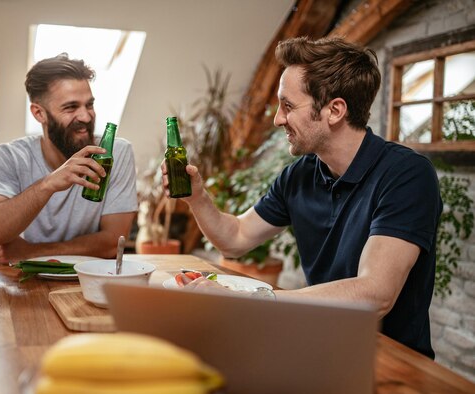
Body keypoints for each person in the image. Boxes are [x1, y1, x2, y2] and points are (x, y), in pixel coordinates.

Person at [164, 37, 442, 359]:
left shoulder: (406, 175)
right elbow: (235, 238)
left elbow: (375, 293)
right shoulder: (299, 174)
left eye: (288, 106)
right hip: (318, 345)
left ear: (335, 110)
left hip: (390, 362)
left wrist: (257, 299)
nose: (277, 119)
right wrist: (196, 196)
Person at [0, 54, 137, 264]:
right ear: (39, 113)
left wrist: (32, 252)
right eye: (71, 107)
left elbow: (113, 242)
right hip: (25, 279)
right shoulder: (9, 157)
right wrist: (47, 185)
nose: (86, 117)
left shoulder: (116, 152)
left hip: (88, 277)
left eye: (89, 105)